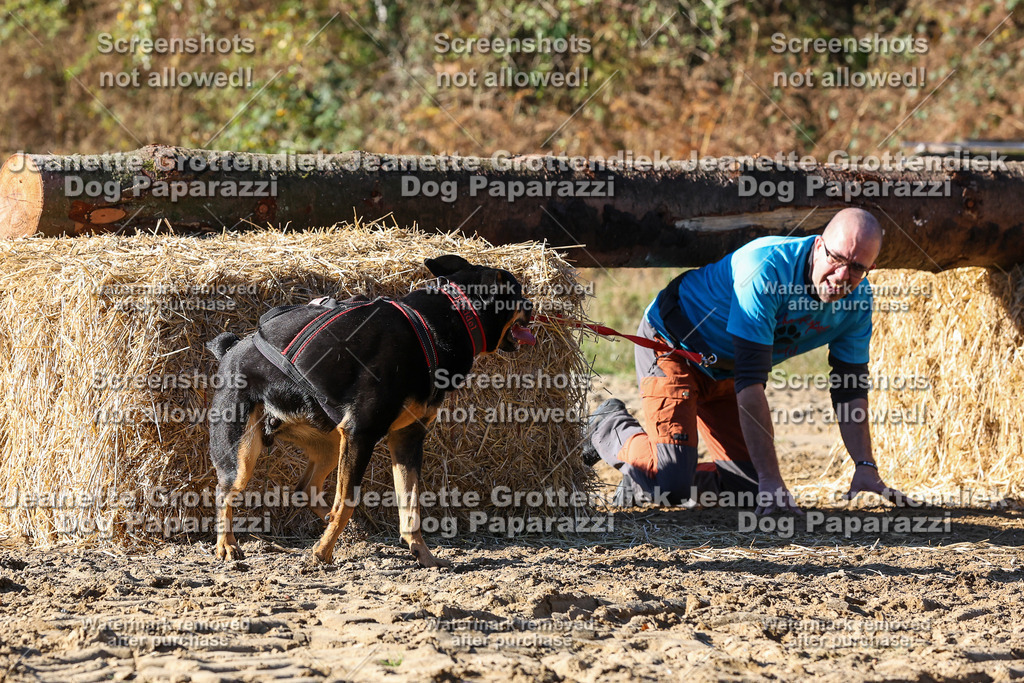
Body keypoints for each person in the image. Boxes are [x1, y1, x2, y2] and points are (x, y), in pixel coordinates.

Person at [582, 207, 910, 514]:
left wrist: (864, 465)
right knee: (673, 489)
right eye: (836, 258)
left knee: (747, 492)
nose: (841, 275)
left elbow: (849, 388)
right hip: (674, 346)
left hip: (726, 369)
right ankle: (608, 426)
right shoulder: (766, 267)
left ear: (871, 269)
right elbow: (751, 384)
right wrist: (773, 479)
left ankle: (650, 476)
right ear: (819, 244)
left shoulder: (858, 303)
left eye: (857, 268)